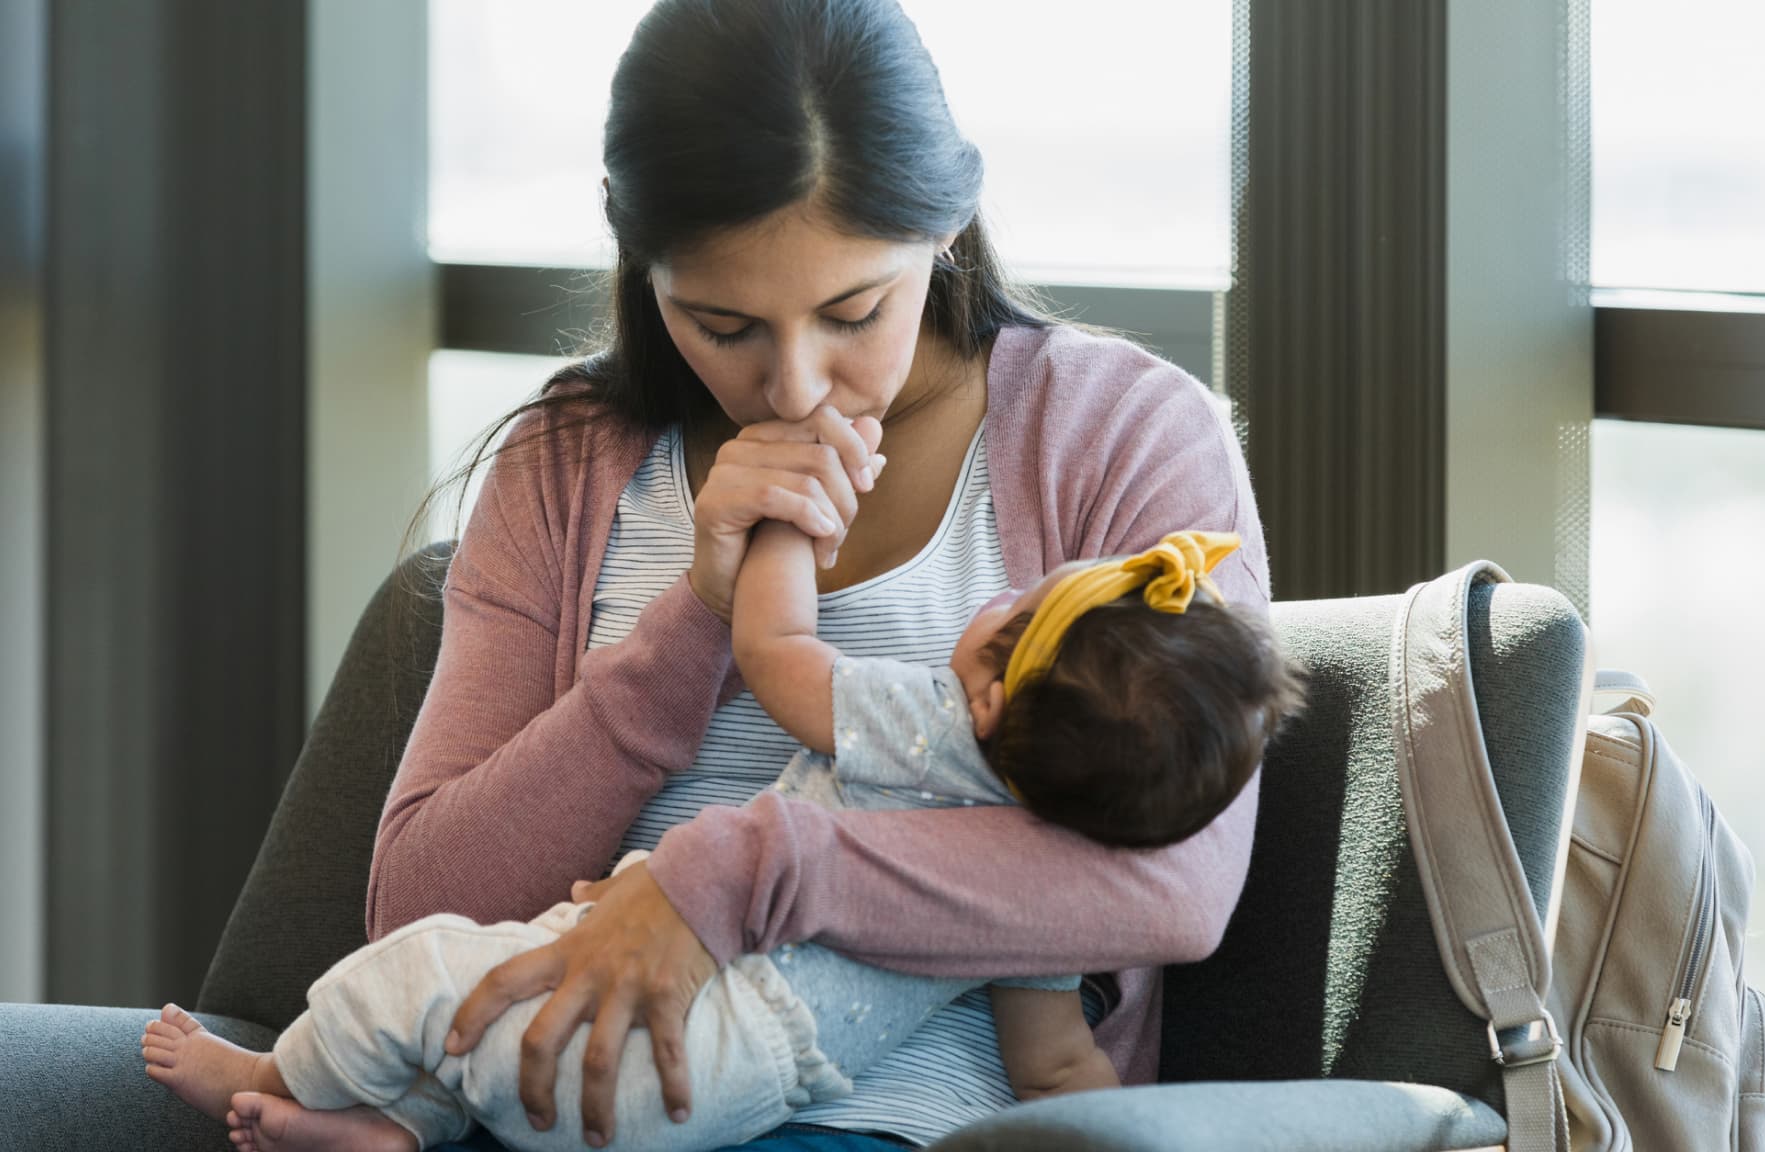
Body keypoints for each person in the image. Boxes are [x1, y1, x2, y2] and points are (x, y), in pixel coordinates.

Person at [175, 0, 1272, 1146]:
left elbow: (1173, 891)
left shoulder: (1124, 436)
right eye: (723, 324)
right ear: (643, 269)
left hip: (909, 1117)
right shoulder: (568, 461)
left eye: (854, 311)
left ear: (946, 224)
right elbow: (419, 905)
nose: (796, 387)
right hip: (542, 1088)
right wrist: (695, 615)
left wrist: (734, 879)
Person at [138, 530, 1299, 1152]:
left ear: (992, 700)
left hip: (674, 1033)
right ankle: (397, 1125)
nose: (1006, 590)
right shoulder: (1048, 900)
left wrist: (787, 524)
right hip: (748, 1088)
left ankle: (286, 1069)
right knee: (490, 995)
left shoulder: (932, 730)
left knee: (428, 971)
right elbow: (1055, 1066)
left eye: (1027, 602)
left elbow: (780, 655)